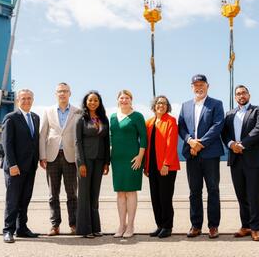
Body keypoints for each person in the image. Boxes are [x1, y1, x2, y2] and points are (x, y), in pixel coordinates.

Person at [178, 74, 225, 239]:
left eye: (201, 84)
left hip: (210, 154)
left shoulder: (216, 104)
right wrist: (191, 141)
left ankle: (213, 226)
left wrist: (200, 144)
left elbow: (218, 126)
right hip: (192, 154)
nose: (199, 87)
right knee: (194, 191)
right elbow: (181, 127)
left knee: (213, 190)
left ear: (207, 86)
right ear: (192, 87)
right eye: (195, 85)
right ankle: (196, 225)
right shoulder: (185, 106)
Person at [221, 84, 259, 241]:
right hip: (235, 159)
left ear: (249, 95)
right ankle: (245, 226)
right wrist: (231, 144)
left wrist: (242, 144)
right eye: (238, 94)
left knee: (253, 194)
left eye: (244, 93)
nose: (241, 96)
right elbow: (224, 134)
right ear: (235, 97)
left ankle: (255, 228)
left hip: (252, 158)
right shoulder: (229, 115)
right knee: (241, 195)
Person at [39, 82, 80, 236]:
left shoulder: (77, 111)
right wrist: (42, 156)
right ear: (55, 94)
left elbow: (79, 136)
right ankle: (55, 225)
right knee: (53, 194)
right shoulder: (48, 111)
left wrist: (79, 157)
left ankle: (74, 224)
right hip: (52, 157)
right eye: (59, 91)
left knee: (72, 194)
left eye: (65, 91)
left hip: (71, 157)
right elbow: (42, 134)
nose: (62, 94)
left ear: (70, 93)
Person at [1, 89, 40, 243]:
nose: (26, 101)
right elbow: (7, 143)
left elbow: (34, 142)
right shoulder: (10, 118)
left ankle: (21, 228)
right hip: (15, 167)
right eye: (23, 98)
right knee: (13, 200)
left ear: (33, 100)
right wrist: (12, 164)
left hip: (30, 166)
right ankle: (8, 230)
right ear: (18, 101)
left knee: (25, 199)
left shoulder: (36, 118)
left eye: (29, 98)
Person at [110, 90, 147, 238]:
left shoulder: (137, 116)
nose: (124, 100)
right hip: (117, 160)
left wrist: (140, 156)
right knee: (120, 192)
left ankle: (131, 225)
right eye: (121, 98)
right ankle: (121, 225)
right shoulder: (112, 117)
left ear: (131, 100)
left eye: (127, 98)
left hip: (133, 159)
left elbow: (144, 138)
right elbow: (111, 138)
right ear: (118, 100)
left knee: (131, 192)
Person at [74, 91, 111, 238]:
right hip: (86, 161)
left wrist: (107, 162)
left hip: (100, 160)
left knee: (94, 194)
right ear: (86, 102)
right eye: (90, 100)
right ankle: (85, 229)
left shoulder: (103, 119)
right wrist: (81, 163)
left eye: (96, 100)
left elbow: (106, 141)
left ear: (99, 102)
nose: (93, 102)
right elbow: (77, 142)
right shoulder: (81, 119)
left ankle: (95, 227)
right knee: (84, 194)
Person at [144, 95, 180, 239]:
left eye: (164, 103)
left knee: (165, 197)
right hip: (152, 165)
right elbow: (147, 146)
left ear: (167, 106)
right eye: (159, 103)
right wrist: (146, 166)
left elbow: (171, 144)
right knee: (155, 197)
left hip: (166, 166)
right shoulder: (149, 122)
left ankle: (167, 226)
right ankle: (159, 225)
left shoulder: (171, 121)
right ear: (154, 106)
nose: (161, 105)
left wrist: (166, 163)